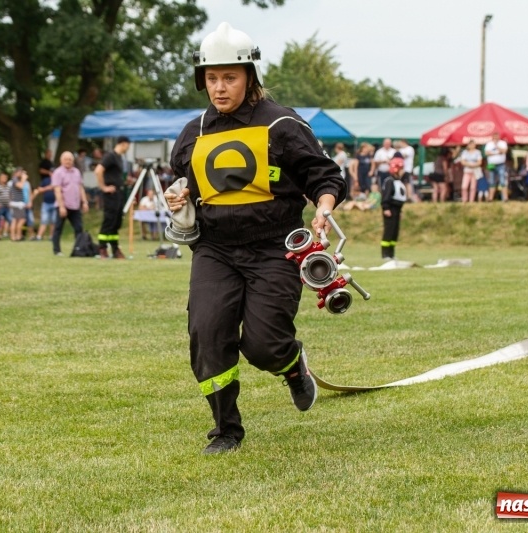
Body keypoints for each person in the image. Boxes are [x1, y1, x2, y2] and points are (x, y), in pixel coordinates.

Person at [164, 22, 346, 455]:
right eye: (212, 78)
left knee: (264, 345)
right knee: (207, 334)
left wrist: (323, 209)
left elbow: (325, 176)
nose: (220, 87)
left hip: (275, 249)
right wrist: (181, 192)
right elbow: (187, 177)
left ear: (249, 76)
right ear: (201, 80)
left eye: (229, 77)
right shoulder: (195, 131)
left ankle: (291, 365)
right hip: (214, 249)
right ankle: (226, 430)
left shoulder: (282, 124)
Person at [94, 135, 130, 259]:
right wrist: (103, 187)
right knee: (109, 220)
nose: (128, 148)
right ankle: (102, 248)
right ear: (123, 144)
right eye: (128, 145)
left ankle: (115, 248)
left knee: (116, 222)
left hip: (119, 193)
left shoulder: (119, 158)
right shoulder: (110, 156)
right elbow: (98, 170)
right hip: (111, 194)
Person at [51, 151, 89, 256]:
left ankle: (78, 248)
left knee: (78, 228)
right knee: (58, 228)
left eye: (70, 159)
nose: (68, 161)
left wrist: (84, 202)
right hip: (63, 205)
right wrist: (61, 206)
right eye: (66, 159)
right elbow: (57, 190)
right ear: (61, 160)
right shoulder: (58, 173)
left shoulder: (77, 172)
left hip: (75, 205)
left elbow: (80, 188)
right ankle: (57, 250)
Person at [380, 153, 408, 261]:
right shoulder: (389, 181)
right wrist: (386, 208)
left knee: (395, 232)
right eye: (401, 168)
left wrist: (400, 211)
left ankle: (391, 253)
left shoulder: (399, 181)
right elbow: (386, 196)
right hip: (390, 209)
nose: (403, 171)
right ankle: (385, 254)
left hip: (397, 210)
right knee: (389, 231)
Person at [33, 168, 57, 241]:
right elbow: (39, 190)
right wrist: (49, 188)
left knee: (53, 221)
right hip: (46, 203)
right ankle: (39, 236)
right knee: (44, 220)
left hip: (55, 203)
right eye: (52, 173)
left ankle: (52, 237)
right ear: (50, 173)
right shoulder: (46, 180)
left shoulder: (59, 180)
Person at [484, 132, 508, 201]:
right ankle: (490, 198)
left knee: (502, 181)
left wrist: (496, 146)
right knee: (491, 181)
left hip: (501, 164)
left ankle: (505, 198)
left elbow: (504, 151)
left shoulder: (503, 143)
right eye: (494, 136)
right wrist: (498, 152)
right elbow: (486, 153)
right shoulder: (489, 144)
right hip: (491, 165)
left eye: (496, 136)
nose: (495, 137)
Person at [9, 169, 27, 241]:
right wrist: (23, 179)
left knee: (16, 220)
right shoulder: (15, 179)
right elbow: (20, 186)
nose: (22, 174)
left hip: (18, 203)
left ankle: (16, 236)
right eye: (21, 172)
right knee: (20, 220)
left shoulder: (16, 179)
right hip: (17, 203)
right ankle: (16, 236)